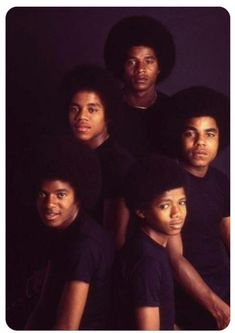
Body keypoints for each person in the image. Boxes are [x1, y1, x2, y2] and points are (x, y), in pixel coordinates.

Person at [25, 137, 114, 330]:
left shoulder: (84, 246)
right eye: (43, 194)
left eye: (60, 195)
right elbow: (43, 306)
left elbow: (66, 327)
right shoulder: (65, 231)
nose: (49, 204)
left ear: (78, 196)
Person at [167, 86, 230, 330]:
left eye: (209, 134)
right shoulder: (168, 183)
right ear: (178, 136)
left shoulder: (220, 180)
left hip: (223, 287)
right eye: (191, 134)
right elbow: (175, 259)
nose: (201, 143)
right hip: (188, 297)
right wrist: (218, 308)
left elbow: (229, 235)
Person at [60, 64, 134, 249]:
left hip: (99, 262)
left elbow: (115, 237)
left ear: (107, 114)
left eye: (92, 109)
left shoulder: (119, 163)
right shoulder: (65, 155)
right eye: (75, 109)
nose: (81, 117)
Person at [111, 154, 187, 330]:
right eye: (165, 206)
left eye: (182, 202)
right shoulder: (147, 262)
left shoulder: (149, 247)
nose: (177, 213)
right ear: (140, 210)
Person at [104, 15, 176, 158]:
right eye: (132, 62)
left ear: (159, 67)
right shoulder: (107, 108)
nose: (140, 69)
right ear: (122, 66)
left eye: (148, 61)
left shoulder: (172, 110)